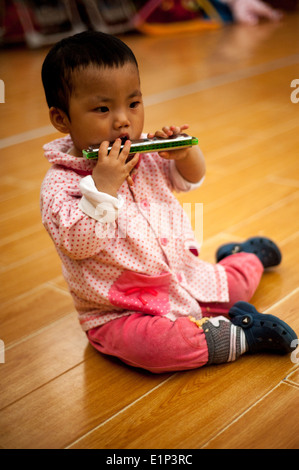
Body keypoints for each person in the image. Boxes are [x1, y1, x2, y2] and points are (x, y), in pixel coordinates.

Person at [40, 30, 297, 373]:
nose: (123, 120)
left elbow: (189, 179)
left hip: (181, 276)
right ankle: (241, 336)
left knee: (236, 286)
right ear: (61, 119)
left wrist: (184, 153)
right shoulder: (60, 184)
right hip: (121, 311)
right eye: (103, 108)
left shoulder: (143, 153)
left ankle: (246, 257)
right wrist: (103, 186)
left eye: (133, 103)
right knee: (159, 349)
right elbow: (77, 242)